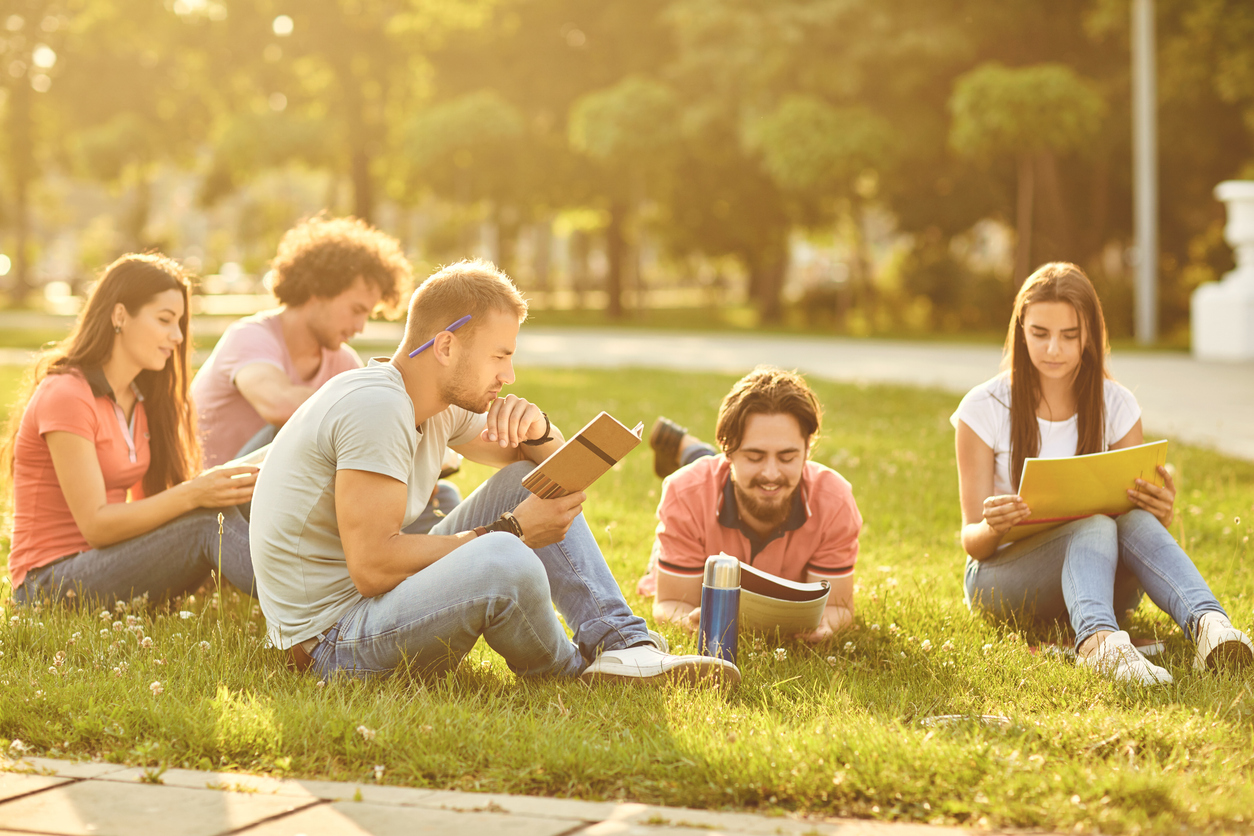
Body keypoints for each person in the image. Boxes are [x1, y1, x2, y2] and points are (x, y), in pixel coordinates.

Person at [249, 258, 739, 685]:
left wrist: (538, 428)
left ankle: (624, 646)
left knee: (515, 486)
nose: (508, 375)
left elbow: (554, 471)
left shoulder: (435, 400)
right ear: (445, 347)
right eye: (499, 356)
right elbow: (373, 567)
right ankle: (573, 672)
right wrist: (512, 532)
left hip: (369, 606)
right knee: (503, 557)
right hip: (330, 642)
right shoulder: (376, 407)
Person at [953, 262, 1253, 684]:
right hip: (1003, 581)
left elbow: (1137, 526)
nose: (1053, 348)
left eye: (1069, 335)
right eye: (1040, 333)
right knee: (1092, 524)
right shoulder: (982, 408)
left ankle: (1212, 628)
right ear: (1020, 330)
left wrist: (1160, 512)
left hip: (1105, 577)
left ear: (1090, 334)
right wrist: (993, 525)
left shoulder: (1117, 404)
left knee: (1123, 519)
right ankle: (1099, 645)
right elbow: (973, 542)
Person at [2, 254, 257, 607]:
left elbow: (144, 507)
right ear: (120, 315)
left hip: (108, 562)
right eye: (165, 320)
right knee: (206, 523)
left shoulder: (139, 399)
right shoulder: (67, 394)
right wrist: (194, 494)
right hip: (48, 584)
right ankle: (316, 602)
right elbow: (96, 526)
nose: (178, 336)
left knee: (244, 484)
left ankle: (326, 576)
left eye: (180, 322)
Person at [192, 215, 459, 530]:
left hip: (292, 500)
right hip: (220, 501)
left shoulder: (342, 361)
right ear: (318, 290)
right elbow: (278, 404)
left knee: (445, 500)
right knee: (300, 426)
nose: (360, 327)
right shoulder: (250, 337)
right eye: (356, 310)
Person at [639, 367, 862, 643]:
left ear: (808, 448)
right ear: (727, 450)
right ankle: (691, 450)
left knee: (741, 481)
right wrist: (691, 623)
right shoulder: (684, 494)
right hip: (699, 499)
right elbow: (671, 603)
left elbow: (837, 607)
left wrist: (825, 627)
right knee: (700, 483)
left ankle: (687, 446)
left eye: (787, 457)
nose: (771, 472)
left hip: (721, 479)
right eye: (755, 456)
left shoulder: (835, 500)